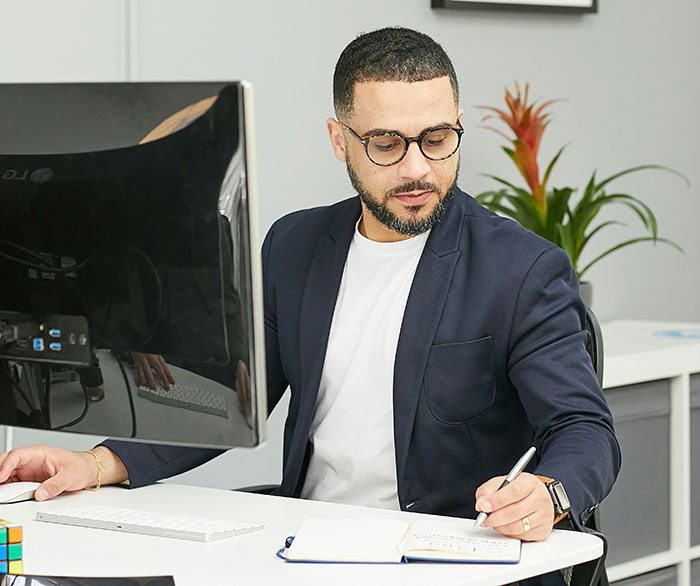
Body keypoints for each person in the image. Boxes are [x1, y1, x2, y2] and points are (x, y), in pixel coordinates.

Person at [0, 26, 620, 561]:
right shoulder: (295, 246)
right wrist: (95, 465)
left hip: (447, 552)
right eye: (386, 144)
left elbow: (584, 427)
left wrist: (551, 493)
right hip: (306, 544)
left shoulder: (521, 269)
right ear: (339, 138)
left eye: (437, 138)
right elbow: (229, 404)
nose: (417, 169)